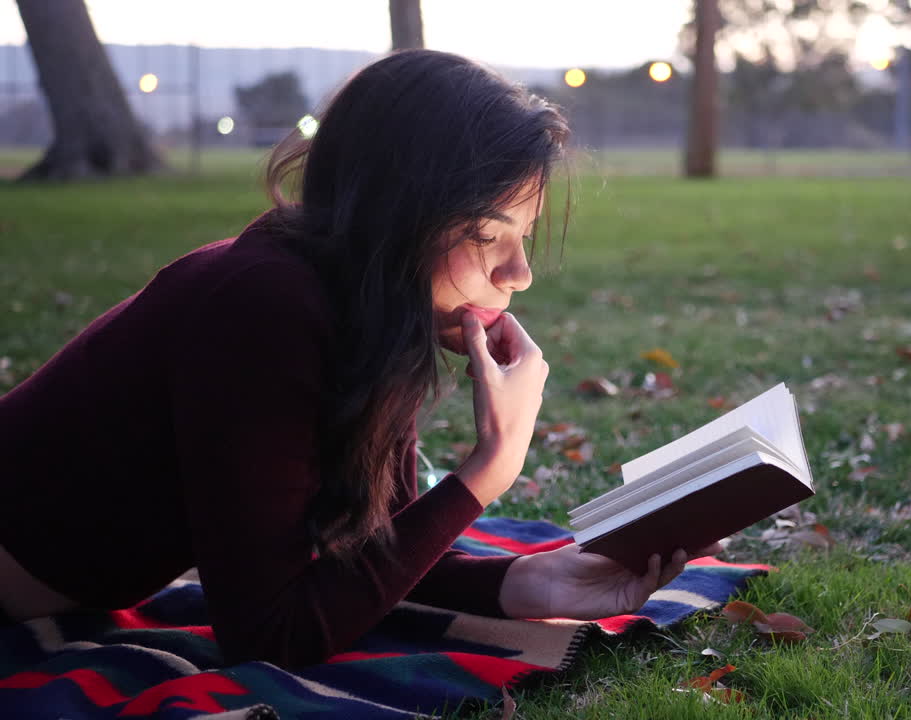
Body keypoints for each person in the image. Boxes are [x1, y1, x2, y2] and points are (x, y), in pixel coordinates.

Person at [0, 49, 718, 668]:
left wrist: (527, 585)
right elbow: (271, 635)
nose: (519, 272)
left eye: (523, 235)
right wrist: (485, 473)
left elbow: (372, 556)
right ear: (398, 215)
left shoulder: (370, 309)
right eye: (485, 233)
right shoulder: (262, 307)